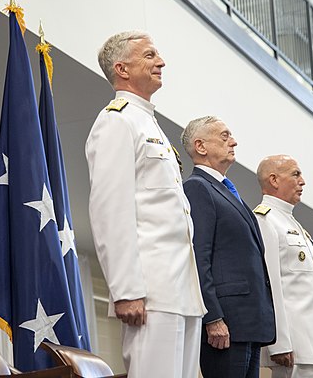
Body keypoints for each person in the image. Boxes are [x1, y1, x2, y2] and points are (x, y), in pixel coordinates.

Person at [85, 31, 206, 378]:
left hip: (181, 289)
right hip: (150, 291)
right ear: (122, 69)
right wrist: (126, 291)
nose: (161, 62)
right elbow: (111, 211)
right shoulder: (116, 120)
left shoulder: (147, 122)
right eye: (150, 55)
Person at [181, 116, 276, 378]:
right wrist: (212, 317)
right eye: (224, 136)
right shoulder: (197, 187)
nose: (233, 141)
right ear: (201, 146)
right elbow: (198, 256)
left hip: (246, 324)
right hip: (225, 324)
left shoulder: (228, 191)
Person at [254, 155, 313, 378]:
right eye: (296, 174)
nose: (302, 181)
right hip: (296, 345)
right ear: (274, 180)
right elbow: (269, 284)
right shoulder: (265, 220)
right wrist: (279, 343)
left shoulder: (293, 223)